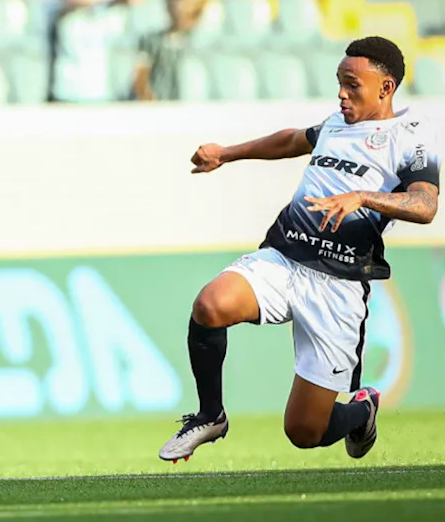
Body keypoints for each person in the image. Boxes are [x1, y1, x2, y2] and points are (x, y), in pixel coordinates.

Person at [159, 36, 437, 463]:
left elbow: (425, 204)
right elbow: (291, 141)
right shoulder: (337, 123)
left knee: (305, 431)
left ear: (386, 88)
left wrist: (364, 196)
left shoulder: (411, 141)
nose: (342, 93)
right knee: (211, 305)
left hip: (339, 286)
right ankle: (211, 415)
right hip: (285, 257)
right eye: (339, 83)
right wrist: (227, 154)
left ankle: (362, 409)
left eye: (352, 84)